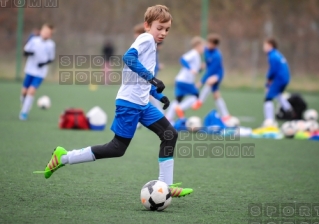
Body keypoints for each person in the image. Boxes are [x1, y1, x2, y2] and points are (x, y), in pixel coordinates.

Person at [42, 5, 193, 198]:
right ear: (147, 25)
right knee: (117, 148)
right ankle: (64, 157)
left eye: (167, 29)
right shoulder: (146, 38)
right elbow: (128, 58)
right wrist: (153, 78)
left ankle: (166, 186)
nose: (163, 33)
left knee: (170, 134)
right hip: (129, 104)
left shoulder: (152, 44)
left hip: (143, 105)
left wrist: (157, 94)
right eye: (160, 28)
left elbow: (137, 78)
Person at [19, 23, 55, 120]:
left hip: (40, 73)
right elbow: (25, 52)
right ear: (41, 31)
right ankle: (26, 104)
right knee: (24, 92)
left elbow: (51, 58)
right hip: (30, 70)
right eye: (44, 32)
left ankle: (24, 113)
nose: (46, 34)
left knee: (31, 91)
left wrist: (43, 64)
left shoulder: (51, 45)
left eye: (48, 33)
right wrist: (29, 53)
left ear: (50, 35)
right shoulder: (34, 40)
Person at [192, 34, 231, 121]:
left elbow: (211, 72)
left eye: (210, 44)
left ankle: (200, 101)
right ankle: (225, 115)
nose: (208, 45)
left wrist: (200, 82)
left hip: (217, 74)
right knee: (216, 95)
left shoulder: (217, 56)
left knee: (209, 81)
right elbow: (205, 61)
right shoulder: (206, 49)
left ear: (215, 45)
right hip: (210, 72)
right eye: (208, 43)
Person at [165, 36, 205, 122]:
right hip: (185, 81)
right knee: (197, 97)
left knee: (178, 99)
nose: (203, 49)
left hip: (180, 80)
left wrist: (200, 68)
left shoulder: (197, 55)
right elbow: (182, 59)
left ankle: (168, 118)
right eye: (202, 46)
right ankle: (180, 108)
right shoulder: (194, 53)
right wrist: (190, 68)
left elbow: (195, 70)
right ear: (197, 45)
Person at [261, 38, 293, 126]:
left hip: (280, 79)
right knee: (278, 94)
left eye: (265, 45)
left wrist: (268, 82)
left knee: (268, 98)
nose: (263, 47)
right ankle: (290, 111)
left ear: (270, 45)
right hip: (285, 78)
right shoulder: (277, 54)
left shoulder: (272, 55)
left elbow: (273, 70)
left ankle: (269, 121)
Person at [133, 22, 164, 114]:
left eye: (136, 34)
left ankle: (162, 115)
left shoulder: (146, 43)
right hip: (145, 75)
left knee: (149, 96)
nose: (134, 36)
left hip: (148, 75)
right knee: (144, 97)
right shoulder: (142, 44)